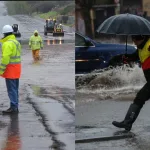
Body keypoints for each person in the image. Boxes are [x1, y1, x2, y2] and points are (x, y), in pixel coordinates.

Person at [112, 35, 150, 131]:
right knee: (139, 99)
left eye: (135, 40)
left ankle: (127, 123)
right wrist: (126, 58)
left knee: (140, 98)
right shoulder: (141, 48)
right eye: (132, 40)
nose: (134, 42)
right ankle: (127, 123)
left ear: (141, 38)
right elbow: (134, 56)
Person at [0, 25, 21, 114]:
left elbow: (5, 59)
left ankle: (13, 107)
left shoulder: (7, 44)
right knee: (15, 89)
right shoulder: (16, 42)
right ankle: (15, 106)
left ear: (4, 34)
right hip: (17, 69)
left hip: (10, 70)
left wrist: (1, 70)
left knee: (11, 89)